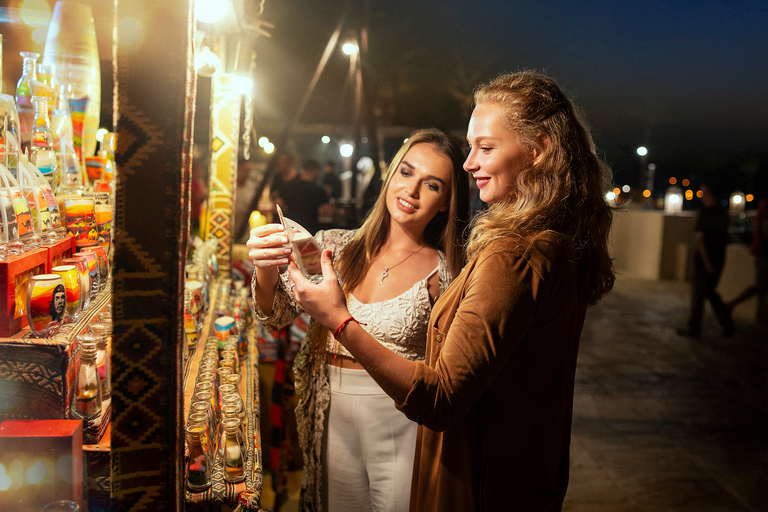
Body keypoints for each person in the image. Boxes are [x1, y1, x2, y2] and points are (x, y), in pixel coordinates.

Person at [285, 71, 615, 511]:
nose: (469, 162)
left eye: (486, 147)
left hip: (481, 480)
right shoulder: (556, 240)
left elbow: (440, 398)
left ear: (536, 152)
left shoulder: (513, 253)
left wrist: (339, 320)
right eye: (471, 146)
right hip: (524, 472)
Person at [248, 128, 470, 512]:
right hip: (331, 411)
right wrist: (265, 267)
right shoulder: (334, 245)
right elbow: (275, 315)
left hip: (401, 421)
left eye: (431, 184)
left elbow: (449, 377)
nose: (411, 191)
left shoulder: (447, 273)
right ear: (390, 175)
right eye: (406, 172)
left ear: (446, 201)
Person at [677, 185, 734, 339]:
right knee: (710, 291)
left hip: (704, 263)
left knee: (698, 297)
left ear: (709, 195)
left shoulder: (705, 215)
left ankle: (694, 329)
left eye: (703, 193)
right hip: (719, 260)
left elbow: (700, 241)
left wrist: (706, 263)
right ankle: (724, 318)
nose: (701, 196)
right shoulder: (723, 215)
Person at [725, 196, 768, 319]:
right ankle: (731, 303)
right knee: (760, 285)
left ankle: (731, 304)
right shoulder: (766, 205)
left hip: (761, 250)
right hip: (763, 251)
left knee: (761, 286)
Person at [277, 159, 331, 236]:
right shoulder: (318, 190)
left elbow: (278, 204)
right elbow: (326, 211)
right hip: (310, 231)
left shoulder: (289, 186)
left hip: (291, 230)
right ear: (315, 171)